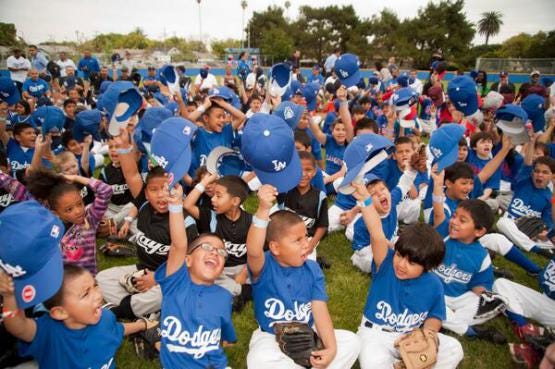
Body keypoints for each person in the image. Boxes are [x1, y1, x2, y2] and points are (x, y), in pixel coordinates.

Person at [245, 185, 361, 368]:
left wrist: (330, 349)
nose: (306, 244)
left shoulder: (312, 269)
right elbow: (253, 250)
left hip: (309, 333)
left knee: (352, 341)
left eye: (306, 237)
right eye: (297, 240)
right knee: (259, 359)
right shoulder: (264, 266)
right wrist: (263, 209)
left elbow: (320, 311)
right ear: (275, 248)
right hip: (272, 337)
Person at [351, 182, 463, 369]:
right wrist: (365, 201)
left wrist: (426, 337)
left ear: (428, 266)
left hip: (411, 335)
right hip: (376, 334)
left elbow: (435, 316)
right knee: (372, 362)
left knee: (454, 348)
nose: (401, 264)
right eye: (399, 255)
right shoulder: (385, 265)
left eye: (411, 262)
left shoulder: (434, 284)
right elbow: (377, 233)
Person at [155, 183, 237, 368]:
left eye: (221, 253)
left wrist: (227, 339)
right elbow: (178, 245)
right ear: (188, 260)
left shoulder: (224, 296)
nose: (215, 253)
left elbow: (225, 334)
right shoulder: (175, 283)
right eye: (207, 247)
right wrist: (176, 205)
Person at [183, 173, 253, 310]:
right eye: (213, 195)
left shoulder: (251, 221)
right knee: (200, 275)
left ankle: (233, 294)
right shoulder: (211, 216)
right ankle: (242, 293)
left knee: (263, 277)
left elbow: (256, 252)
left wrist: (244, 273)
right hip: (219, 269)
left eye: (218, 196)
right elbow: (187, 204)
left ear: (235, 201)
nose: (213, 199)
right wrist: (204, 182)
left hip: (244, 268)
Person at [26, 169, 113, 275]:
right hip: (62, 279)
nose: (78, 211)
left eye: (80, 203)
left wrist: (76, 178)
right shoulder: (50, 224)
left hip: (88, 278)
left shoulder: (90, 218)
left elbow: (106, 190)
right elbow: (24, 195)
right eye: (69, 209)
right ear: (55, 213)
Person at [496, 132, 555, 259]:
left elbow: (547, 225)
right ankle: (534, 249)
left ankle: (520, 243)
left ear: (552, 176)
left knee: (549, 241)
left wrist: (541, 233)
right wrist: (532, 142)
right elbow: (528, 163)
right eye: (537, 171)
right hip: (511, 223)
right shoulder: (524, 181)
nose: (539, 175)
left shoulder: (549, 198)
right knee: (502, 222)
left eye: (545, 173)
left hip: (528, 233)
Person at [277, 151, 329, 261]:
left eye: (308, 170)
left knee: (306, 264)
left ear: (315, 172)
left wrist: (312, 244)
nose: (303, 174)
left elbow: (322, 225)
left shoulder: (320, 196)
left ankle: (317, 261)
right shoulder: (284, 191)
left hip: (307, 238)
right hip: (285, 234)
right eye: (298, 170)